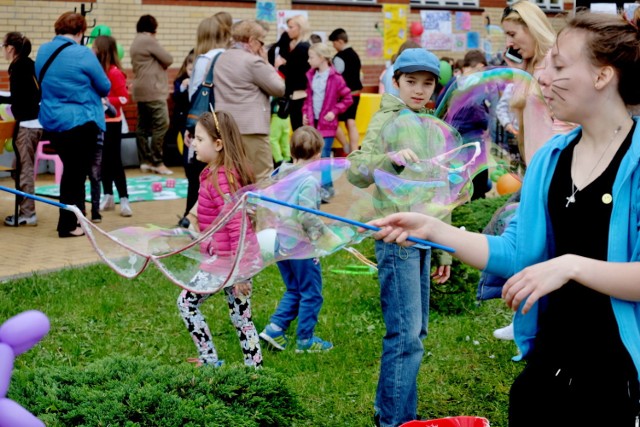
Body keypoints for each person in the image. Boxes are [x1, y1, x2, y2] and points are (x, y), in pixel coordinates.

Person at [368, 12, 640, 426]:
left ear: (603, 76)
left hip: (616, 372)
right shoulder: (553, 158)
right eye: (545, 63)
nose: (542, 77)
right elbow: (518, 253)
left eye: (559, 65)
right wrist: (435, 230)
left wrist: (570, 266)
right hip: (551, 361)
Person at [347, 48, 452, 427]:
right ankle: (392, 420)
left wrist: (445, 251)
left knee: (416, 333)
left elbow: (443, 187)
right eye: (411, 82)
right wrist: (390, 160)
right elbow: (357, 171)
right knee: (405, 336)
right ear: (396, 81)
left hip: (425, 237)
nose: (419, 90)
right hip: (397, 239)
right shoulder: (387, 119)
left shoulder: (430, 125)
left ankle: (402, 415)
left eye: (427, 84)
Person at [176, 110, 262, 368]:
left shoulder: (221, 179)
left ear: (218, 144)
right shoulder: (214, 173)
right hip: (224, 260)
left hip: (229, 263)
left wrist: (241, 273)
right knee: (241, 318)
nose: (193, 143)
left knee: (187, 303)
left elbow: (238, 226)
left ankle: (211, 359)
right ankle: (253, 368)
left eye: (199, 139)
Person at [259, 126, 343, 353]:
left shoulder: (279, 174)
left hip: (280, 242)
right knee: (311, 293)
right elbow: (306, 215)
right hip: (300, 245)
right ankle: (305, 340)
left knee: (294, 289)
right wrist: (321, 237)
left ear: (291, 151)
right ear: (318, 156)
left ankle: (275, 329)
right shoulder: (308, 181)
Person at [36, 12, 111, 238]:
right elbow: (105, 86)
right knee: (76, 174)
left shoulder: (43, 51)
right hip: (81, 121)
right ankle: (68, 225)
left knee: (72, 171)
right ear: (80, 32)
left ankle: (78, 220)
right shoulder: (82, 53)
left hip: (52, 121)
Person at [215, 19, 285, 182]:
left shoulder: (222, 58)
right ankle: (261, 208)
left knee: (233, 176)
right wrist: (267, 63)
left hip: (226, 126)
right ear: (252, 41)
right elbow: (279, 88)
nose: (262, 47)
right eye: (261, 42)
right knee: (262, 177)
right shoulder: (253, 61)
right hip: (252, 129)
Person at [180, 16, 231, 228]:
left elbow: (195, 94)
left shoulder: (203, 60)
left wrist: (190, 127)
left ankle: (192, 217)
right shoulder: (228, 57)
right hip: (224, 120)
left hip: (205, 121)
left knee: (196, 171)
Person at [436, 49, 493, 200]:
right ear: (480, 66)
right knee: (478, 185)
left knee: (456, 184)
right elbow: (480, 117)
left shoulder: (453, 82)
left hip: (453, 142)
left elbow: (439, 105)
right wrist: (486, 120)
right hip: (472, 142)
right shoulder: (475, 85)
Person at [0, 32, 42, 226]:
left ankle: (28, 213)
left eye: (4, 46)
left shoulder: (17, 67)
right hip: (36, 122)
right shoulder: (31, 64)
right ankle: (25, 210)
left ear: (11, 48)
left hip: (26, 125)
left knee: (24, 169)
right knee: (21, 167)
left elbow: (18, 100)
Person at [302, 42, 352, 202]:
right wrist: (305, 113)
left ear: (322, 58)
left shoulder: (335, 78)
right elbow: (308, 98)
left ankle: (326, 188)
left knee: (323, 156)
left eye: (311, 57)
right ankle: (319, 187)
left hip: (328, 125)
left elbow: (347, 98)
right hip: (313, 123)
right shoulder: (311, 76)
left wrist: (334, 111)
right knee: (314, 157)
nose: (309, 60)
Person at [93, 35, 132, 218]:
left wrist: (107, 101)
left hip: (113, 123)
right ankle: (107, 195)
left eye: (94, 48)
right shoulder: (94, 71)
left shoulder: (115, 73)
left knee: (115, 161)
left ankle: (124, 198)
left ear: (101, 51)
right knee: (102, 162)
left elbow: (124, 98)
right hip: (97, 123)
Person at [130, 14, 174, 175]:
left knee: (142, 127)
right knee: (161, 124)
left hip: (140, 89)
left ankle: (145, 160)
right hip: (153, 90)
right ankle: (157, 161)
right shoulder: (148, 40)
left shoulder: (136, 41)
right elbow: (168, 59)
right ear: (153, 28)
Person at [268, 15, 311, 130]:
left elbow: (294, 75)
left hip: (299, 96)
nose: (288, 30)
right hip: (298, 95)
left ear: (300, 28)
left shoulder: (301, 48)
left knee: (299, 131)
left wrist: (280, 66)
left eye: (291, 27)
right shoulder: (302, 47)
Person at [172, 51, 196, 228]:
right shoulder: (181, 82)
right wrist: (183, 88)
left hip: (196, 129)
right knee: (189, 165)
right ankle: (189, 212)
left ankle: (191, 213)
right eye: (190, 69)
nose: (191, 72)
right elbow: (177, 100)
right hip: (186, 127)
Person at [328, 28, 363, 154]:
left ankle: (345, 145)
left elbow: (336, 76)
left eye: (334, 43)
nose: (334, 46)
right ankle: (354, 151)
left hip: (344, 96)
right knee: (351, 122)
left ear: (340, 41)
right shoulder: (355, 55)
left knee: (332, 120)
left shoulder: (339, 57)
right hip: (356, 93)